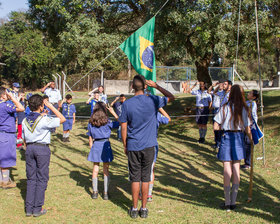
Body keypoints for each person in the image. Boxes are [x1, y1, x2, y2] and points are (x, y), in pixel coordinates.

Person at [119, 75, 174, 219]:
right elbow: (171, 97)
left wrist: (125, 144)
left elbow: (123, 127)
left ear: (132, 87)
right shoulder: (154, 100)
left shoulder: (126, 104)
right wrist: (157, 87)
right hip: (149, 145)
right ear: (145, 86)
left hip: (133, 145)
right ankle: (144, 208)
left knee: (135, 177)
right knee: (145, 177)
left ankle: (135, 208)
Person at [22, 94, 66, 217]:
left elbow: (24, 138)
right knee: (42, 178)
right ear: (41, 106)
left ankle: (29, 208)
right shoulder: (44, 119)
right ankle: (37, 208)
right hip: (42, 149)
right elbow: (62, 119)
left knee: (31, 178)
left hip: (29, 148)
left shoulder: (25, 120)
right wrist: (51, 106)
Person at [213, 84, 253, 212]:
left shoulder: (224, 107)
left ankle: (227, 202)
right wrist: (251, 138)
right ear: (241, 94)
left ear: (230, 94)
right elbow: (247, 128)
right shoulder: (244, 109)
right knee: (236, 168)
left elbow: (215, 126)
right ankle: (233, 202)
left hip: (226, 137)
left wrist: (223, 126)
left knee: (226, 168)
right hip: (238, 137)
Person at [87, 102, 119, 200]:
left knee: (95, 168)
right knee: (106, 170)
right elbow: (121, 122)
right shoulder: (108, 122)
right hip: (105, 145)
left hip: (96, 145)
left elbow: (90, 137)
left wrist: (91, 146)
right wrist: (113, 112)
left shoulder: (91, 122)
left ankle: (95, 192)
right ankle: (105, 193)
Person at [0, 87, 24, 189]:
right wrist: (13, 98)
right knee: (6, 158)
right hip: (6, 134)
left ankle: (2, 179)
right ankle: (5, 181)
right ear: (3, 95)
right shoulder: (5, 105)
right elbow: (21, 108)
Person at [147, 108, 171, 202]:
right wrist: (160, 108)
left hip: (141, 143)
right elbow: (168, 119)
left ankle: (144, 192)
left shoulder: (138, 112)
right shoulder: (155, 114)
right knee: (150, 169)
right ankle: (148, 193)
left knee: (143, 168)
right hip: (152, 143)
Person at [241, 90, 259, 169]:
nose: (248, 94)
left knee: (248, 143)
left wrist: (250, 125)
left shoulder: (252, 104)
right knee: (245, 143)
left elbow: (251, 115)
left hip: (250, 126)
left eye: (250, 93)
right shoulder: (248, 102)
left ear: (254, 97)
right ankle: (246, 161)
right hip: (245, 125)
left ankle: (248, 163)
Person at [208, 81, 224, 149]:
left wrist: (219, 86)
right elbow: (209, 91)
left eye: (221, 84)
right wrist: (213, 85)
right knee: (215, 127)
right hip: (214, 110)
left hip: (219, 110)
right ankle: (216, 142)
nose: (220, 85)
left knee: (219, 127)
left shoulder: (223, 93)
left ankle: (219, 142)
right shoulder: (216, 92)